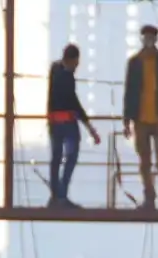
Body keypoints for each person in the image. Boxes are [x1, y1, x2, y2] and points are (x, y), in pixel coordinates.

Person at [123, 24, 158, 209]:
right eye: (145, 37)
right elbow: (129, 91)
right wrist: (126, 119)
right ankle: (149, 196)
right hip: (141, 118)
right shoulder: (134, 62)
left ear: (155, 39)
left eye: (151, 37)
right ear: (142, 39)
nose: (148, 40)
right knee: (144, 160)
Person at [47, 43, 100, 207]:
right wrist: (89, 126)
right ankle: (60, 195)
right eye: (76, 63)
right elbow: (73, 101)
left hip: (54, 121)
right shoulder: (66, 76)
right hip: (67, 121)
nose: (76, 67)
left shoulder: (55, 70)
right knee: (71, 155)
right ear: (71, 60)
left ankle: (56, 195)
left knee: (56, 158)